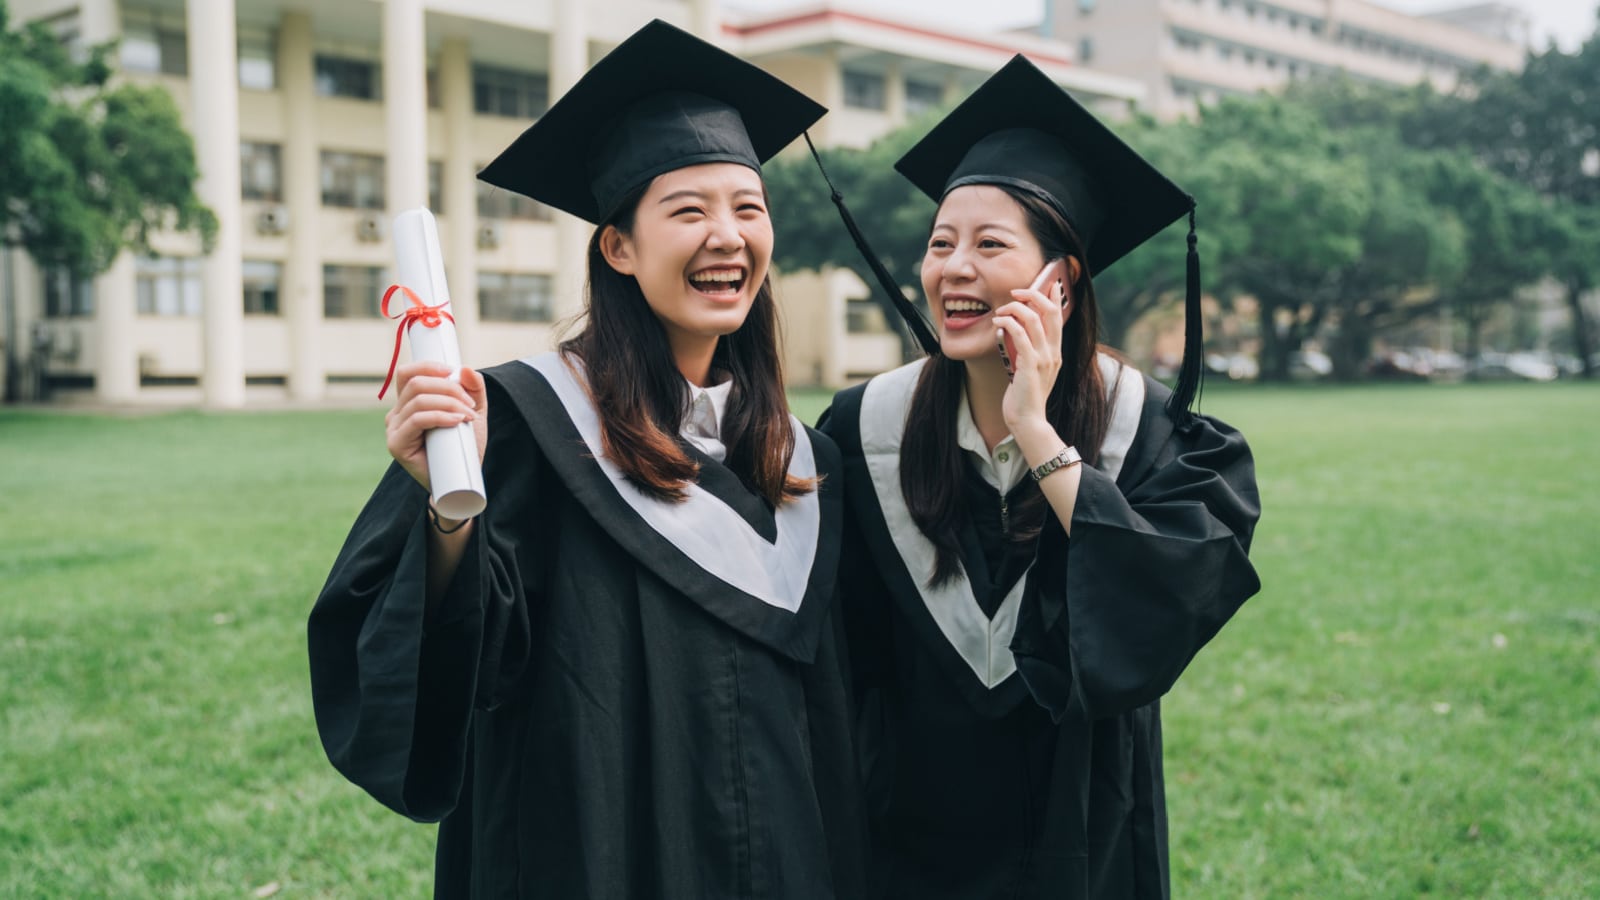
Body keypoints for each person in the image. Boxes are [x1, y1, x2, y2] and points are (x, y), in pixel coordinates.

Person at [308, 21, 865, 899]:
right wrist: (450, 511)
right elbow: (442, 678)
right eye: (689, 211)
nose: (727, 235)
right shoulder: (520, 423)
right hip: (592, 849)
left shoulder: (803, 460)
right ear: (619, 247)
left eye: (747, 208)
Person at [819, 56, 1262, 899]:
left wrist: (1036, 429)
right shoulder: (860, 429)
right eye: (940, 243)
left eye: (990, 245)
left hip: (1085, 831)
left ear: (1059, 281)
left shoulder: (1151, 432)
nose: (953, 268)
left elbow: (1160, 610)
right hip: (906, 833)